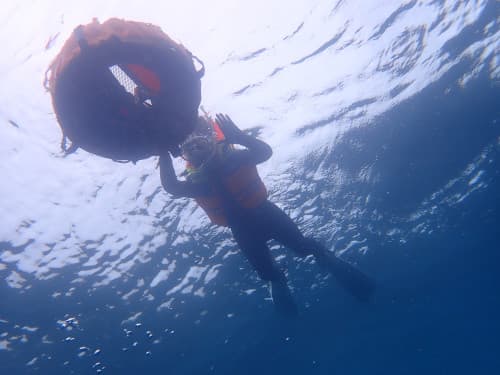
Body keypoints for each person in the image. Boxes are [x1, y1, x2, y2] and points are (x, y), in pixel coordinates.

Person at [159, 114, 375, 315]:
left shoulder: (234, 159)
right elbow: (172, 186)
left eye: (200, 143)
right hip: (243, 233)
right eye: (190, 148)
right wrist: (162, 152)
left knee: (303, 247)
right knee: (266, 272)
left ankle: (325, 257)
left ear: (212, 142)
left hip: (268, 215)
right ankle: (278, 282)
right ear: (184, 156)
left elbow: (265, 153)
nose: (196, 149)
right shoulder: (198, 183)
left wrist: (239, 137)